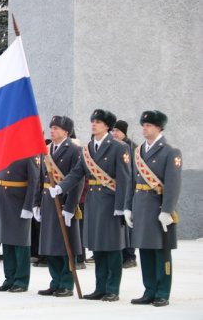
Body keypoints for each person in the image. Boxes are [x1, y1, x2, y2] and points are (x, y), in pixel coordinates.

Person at [49, 109, 131, 302]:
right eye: (93, 121)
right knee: (98, 247)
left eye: (98, 122)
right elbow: (77, 173)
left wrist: (122, 206)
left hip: (111, 203)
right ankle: (100, 287)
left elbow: (124, 179)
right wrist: (61, 188)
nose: (94, 124)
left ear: (107, 126)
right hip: (94, 203)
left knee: (112, 248)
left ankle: (112, 289)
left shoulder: (119, 147)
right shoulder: (88, 148)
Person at [124, 111, 182, 307]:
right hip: (141, 207)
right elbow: (131, 181)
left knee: (161, 253)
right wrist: (128, 208)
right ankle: (149, 290)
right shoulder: (138, 151)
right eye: (143, 124)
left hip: (158, 209)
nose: (144, 128)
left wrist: (167, 210)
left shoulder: (170, 151)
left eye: (148, 125)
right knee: (145, 252)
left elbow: (173, 184)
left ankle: (162, 292)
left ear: (159, 127)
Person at [35, 116, 83, 297]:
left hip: (63, 202)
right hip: (48, 201)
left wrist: (70, 207)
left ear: (65, 131)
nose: (52, 131)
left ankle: (66, 283)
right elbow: (41, 179)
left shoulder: (74, 150)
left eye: (56, 128)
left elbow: (77, 180)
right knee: (50, 244)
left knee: (65, 245)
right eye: (51, 127)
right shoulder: (46, 149)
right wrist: (36, 203)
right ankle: (55, 281)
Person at [0, 157, 38, 293]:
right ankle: (9, 279)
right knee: (6, 241)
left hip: (18, 201)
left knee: (20, 242)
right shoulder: (4, 152)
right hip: (2, 198)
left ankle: (21, 281)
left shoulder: (29, 154)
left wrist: (29, 206)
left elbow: (34, 181)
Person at [112, 120, 138, 269]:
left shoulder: (132, 147)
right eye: (113, 130)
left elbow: (132, 173)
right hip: (115, 190)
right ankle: (120, 254)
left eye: (118, 131)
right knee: (118, 225)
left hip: (130, 190)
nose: (115, 133)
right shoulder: (113, 146)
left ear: (124, 132)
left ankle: (130, 256)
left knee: (128, 225)